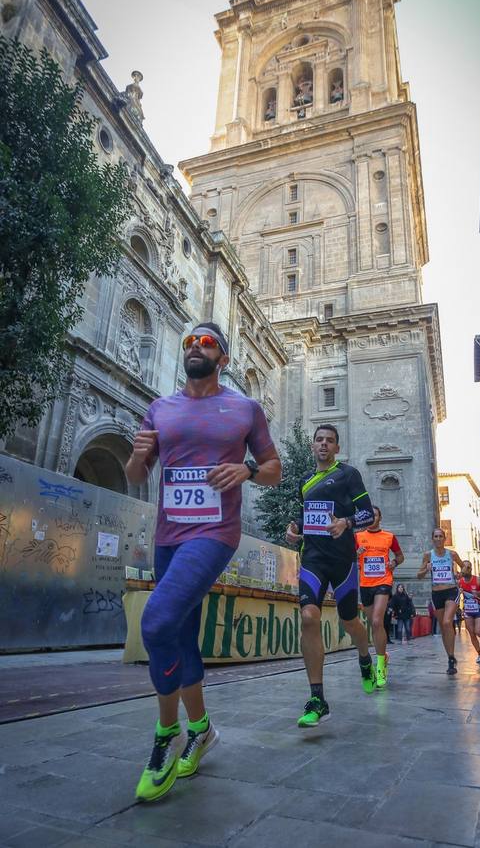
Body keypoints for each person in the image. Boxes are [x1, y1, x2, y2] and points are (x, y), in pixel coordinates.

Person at [126, 322, 281, 802]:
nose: (196, 346)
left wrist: (247, 469)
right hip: (168, 536)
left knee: (155, 624)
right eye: (190, 341)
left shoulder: (244, 408)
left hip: (215, 533)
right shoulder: (160, 408)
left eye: (207, 342)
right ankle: (202, 730)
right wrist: (136, 456)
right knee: (180, 637)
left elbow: (274, 469)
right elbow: (136, 475)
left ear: (224, 358)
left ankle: (164, 736)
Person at [286, 424, 376, 726]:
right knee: (309, 616)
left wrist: (346, 523)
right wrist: (295, 528)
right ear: (313, 446)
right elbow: (306, 514)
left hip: (343, 560)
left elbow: (367, 514)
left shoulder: (348, 475)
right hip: (312, 558)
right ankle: (317, 698)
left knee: (349, 619)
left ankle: (364, 657)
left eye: (330, 441)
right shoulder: (305, 481)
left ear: (337, 447)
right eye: (319, 440)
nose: (324, 444)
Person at [355, 507, 404, 687]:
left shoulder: (389, 536)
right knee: (373, 624)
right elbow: (349, 558)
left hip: (383, 581)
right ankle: (384, 654)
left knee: (377, 622)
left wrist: (393, 562)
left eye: (375, 515)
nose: (372, 518)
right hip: (365, 584)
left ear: (380, 518)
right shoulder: (358, 537)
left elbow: (400, 556)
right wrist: (356, 555)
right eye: (370, 515)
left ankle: (381, 666)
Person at [417, 528, 464, 675]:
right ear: (432, 539)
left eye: (440, 536)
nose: (438, 539)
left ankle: (451, 658)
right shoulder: (428, 556)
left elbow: (465, 567)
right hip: (436, 593)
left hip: (451, 591)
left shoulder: (452, 554)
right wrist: (426, 570)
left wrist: (459, 574)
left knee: (446, 622)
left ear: (445, 538)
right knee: (444, 628)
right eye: (435, 536)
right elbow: (419, 575)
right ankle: (450, 657)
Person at [458, 562, 480, 666]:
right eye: (463, 567)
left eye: (467, 567)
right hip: (467, 610)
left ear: (470, 569)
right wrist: (458, 592)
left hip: (479, 609)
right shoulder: (460, 582)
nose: (465, 569)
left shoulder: (477, 580)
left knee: (478, 632)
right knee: (471, 633)